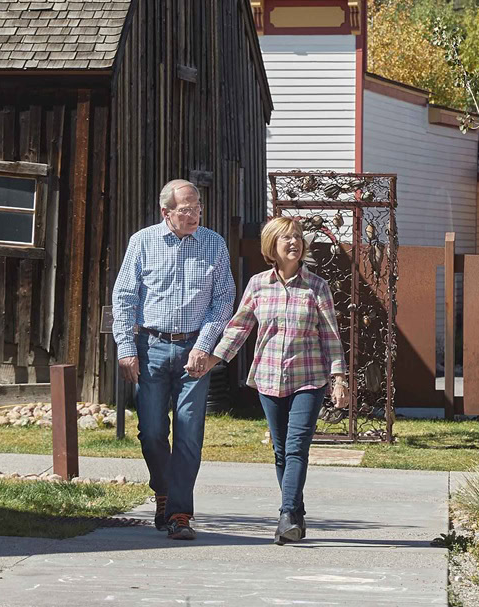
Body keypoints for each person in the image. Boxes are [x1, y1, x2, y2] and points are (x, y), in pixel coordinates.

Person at [203, 215, 348, 544]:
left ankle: (285, 515)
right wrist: (214, 359)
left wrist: (338, 377)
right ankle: (295, 511)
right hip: (269, 377)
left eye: (297, 236)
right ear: (273, 246)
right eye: (286, 238)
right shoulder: (258, 284)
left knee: (297, 447)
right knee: (281, 450)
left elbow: (330, 335)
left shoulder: (317, 286)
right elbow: (239, 327)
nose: (294, 242)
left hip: (309, 377)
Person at [110, 178, 234, 541]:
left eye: (197, 208)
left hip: (194, 349)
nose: (194, 214)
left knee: (189, 430)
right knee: (151, 432)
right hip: (150, 347)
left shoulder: (214, 244)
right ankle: (163, 492)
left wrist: (205, 346)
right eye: (186, 209)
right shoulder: (142, 242)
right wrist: (126, 348)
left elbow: (223, 299)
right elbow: (124, 298)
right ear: (166, 212)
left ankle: (180, 512)